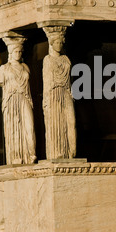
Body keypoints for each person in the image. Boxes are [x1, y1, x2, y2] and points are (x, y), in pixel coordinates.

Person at [0, 41, 37, 165]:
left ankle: (31, 155)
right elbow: (2, 83)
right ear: (10, 52)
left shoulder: (25, 67)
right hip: (11, 100)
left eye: (20, 51)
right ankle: (16, 157)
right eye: (16, 51)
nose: (18, 54)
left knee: (29, 128)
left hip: (25, 98)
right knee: (14, 128)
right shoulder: (4, 68)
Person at [42, 26, 77, 159]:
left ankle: (71, 151)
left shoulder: (66, 59)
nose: (59, 45)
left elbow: (70, 79)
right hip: (54, 92)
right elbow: (47, 81)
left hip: (66, 92)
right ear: (51, 43)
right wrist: (45, 101)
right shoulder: (48, 60)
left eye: (61, 42)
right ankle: (58, 153)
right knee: (56, 123)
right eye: (57, 42)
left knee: (71, 122)